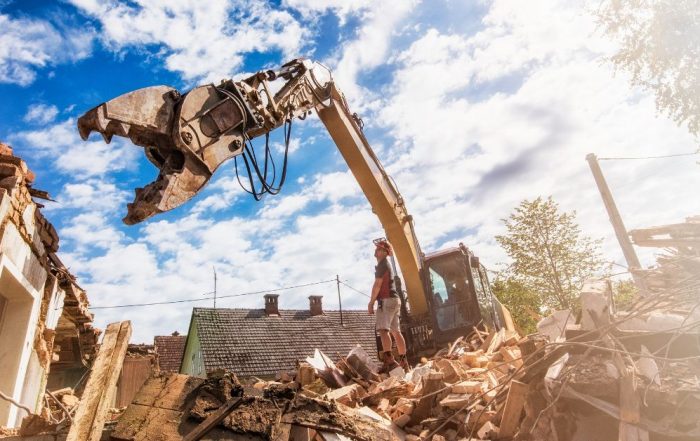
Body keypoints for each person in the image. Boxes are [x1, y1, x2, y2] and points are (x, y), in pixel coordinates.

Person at [367, 239, 409, 372]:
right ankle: (403, 361)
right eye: (377, 249)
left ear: (385, 252)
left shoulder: (382, 265)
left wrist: (371, 302)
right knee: (396, 331)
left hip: (386, 300)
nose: (377, 252)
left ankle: (389, 361)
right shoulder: (387, 264)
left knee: (383, 330)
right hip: (395, 300)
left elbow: (377, 285)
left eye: (379, 249)